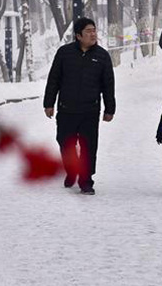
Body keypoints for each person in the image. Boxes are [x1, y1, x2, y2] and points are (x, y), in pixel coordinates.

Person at [44, 17, 115, 195]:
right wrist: (49, 103)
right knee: (64, 142)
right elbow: (54, 79)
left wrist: (110, 108)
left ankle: (86, 181)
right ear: (78, 35)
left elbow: (108, 84)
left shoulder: (102, 56)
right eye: (88, 31)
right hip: (66, 109)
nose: (93, 34)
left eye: (94, 30)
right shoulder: (64, 53)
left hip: (90, 110)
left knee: (89, 147)